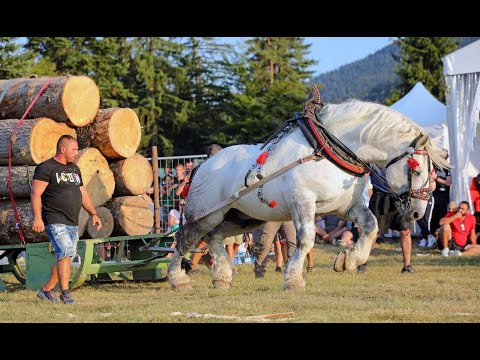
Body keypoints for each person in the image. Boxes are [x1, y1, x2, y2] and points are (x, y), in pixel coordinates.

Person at [31, 135, 102, 304]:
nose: (76, 153)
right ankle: (65, 294)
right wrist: (37, 218)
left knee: (67, 255)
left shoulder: (74, 169)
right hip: (54, 219)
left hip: (72, 221)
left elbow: (82, 193)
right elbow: (36, 193)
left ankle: (46, 290)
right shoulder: (46, 168)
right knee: (65, 253)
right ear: (63, 149)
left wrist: (94, 213)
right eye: (74, 149)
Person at [364, 164, 419, 273]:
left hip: (400, 198)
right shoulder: (376, 159)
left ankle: (407, 266)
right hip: (380, 197)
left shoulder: (401, 158)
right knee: (374, 232)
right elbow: (364, 174)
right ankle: (362, 262)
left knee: (405, 231)